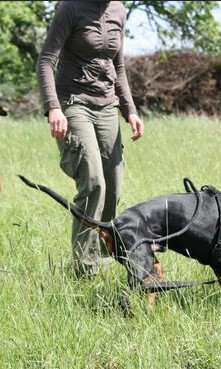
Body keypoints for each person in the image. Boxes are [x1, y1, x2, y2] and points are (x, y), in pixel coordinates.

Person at [36, 1, 145, 279]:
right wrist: (53, 107)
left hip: (107, 105)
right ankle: (85, 269)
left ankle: (103, 256)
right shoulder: (70, 7)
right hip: (73, 102)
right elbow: (46, 60)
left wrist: (129, 110)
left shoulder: (118, 10)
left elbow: (118, 66)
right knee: (93, 181)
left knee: (114, 184)